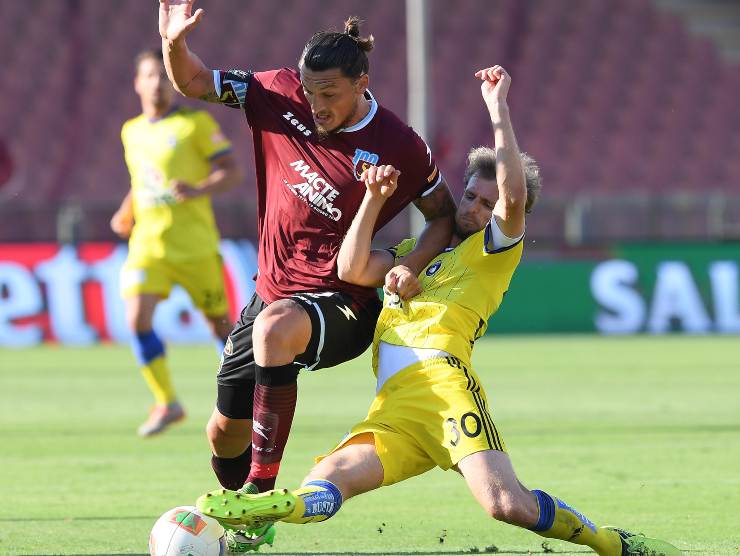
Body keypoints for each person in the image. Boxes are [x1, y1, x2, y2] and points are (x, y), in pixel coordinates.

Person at [196, 66, 683, 556]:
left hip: (448, 392)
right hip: (395, 407)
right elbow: (351, 268)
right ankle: (263, 514)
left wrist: (498, 112)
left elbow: (512, 195)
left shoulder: (495, 251)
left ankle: (614, 545)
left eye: (487, 203)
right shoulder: (419, 250)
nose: (474, 208)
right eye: (470, 195)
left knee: (506, 504)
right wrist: (372, 201)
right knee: (324, 482)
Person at [159, 0, 456, 538]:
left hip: (344, 300)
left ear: (361, 82)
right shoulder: (275, 94)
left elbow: (443, 218)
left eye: (330, 93)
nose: (316, 104)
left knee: (277, 332)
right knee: (224, 435)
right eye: (310, 90)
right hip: (271, 291)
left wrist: (411, 264)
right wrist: (173, 43)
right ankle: (247, 524)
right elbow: (195, 82)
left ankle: (263, 491)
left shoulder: (399, 144)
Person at [112, 49, 241, 437]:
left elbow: (232, 172)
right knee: (136, 318)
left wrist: (198, 188)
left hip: (195, 245)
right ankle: (167, 402)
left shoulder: (195, 124)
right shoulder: (131, 131)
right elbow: (143, 180)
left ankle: (240, 404)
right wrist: (127, 209)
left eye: (164, 77)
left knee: (220, 328)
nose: (158, 83)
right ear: (137, 83)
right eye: (150, 76)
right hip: (149, 244)